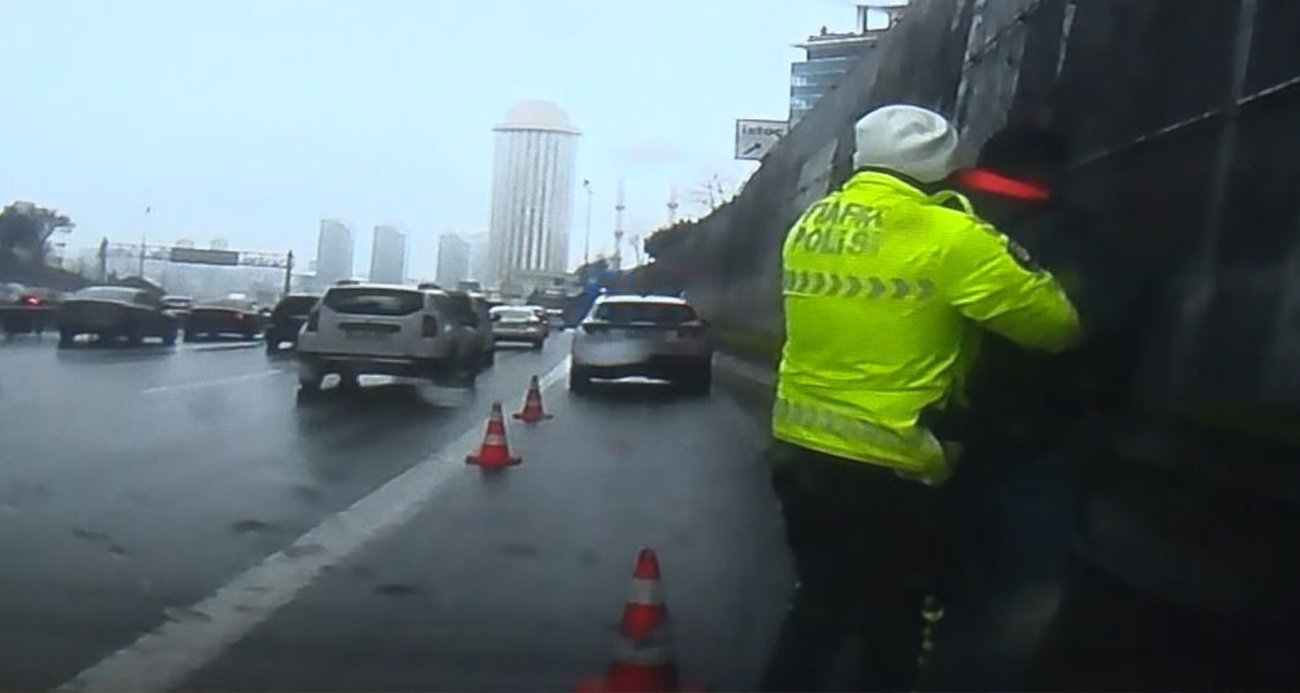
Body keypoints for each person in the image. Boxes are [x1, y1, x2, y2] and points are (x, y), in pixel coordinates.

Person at [761, 104, 1081, 691]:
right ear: (943, 167)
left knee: (819, 607)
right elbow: (1054, 326)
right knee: (896, 620)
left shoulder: (810, 224)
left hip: (799, 451)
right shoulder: (953, 237)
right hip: (893, 466)